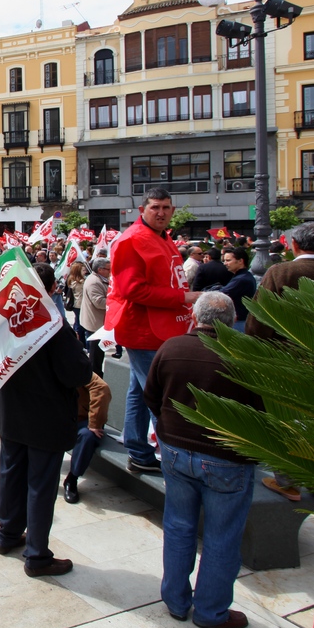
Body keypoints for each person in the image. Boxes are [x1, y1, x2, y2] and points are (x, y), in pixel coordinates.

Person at [144, 292, 263, 628]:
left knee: (179, 527)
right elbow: (262, 410)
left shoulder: (171, 348)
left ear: (194, 317)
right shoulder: (244, 354)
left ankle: (176, 601)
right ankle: (211, 611)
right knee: (222, 536)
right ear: (231, 321)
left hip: (177, 452)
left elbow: (151, 396)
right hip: (225, 458)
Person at [0, 263, 93, 576]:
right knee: (40, 485)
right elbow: (78, 373)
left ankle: (8, 535)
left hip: (11, 413)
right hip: (45, 418)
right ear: (51, 290)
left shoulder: (0, 319)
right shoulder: (53, 325)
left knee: (11, 473)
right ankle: (36, 555)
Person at [244, 221, 314, 501]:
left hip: (285, 362)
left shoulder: (281, 272)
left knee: (285, 421)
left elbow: (258, 321)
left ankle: (287, 481)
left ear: (294, 245)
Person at [108, 189, 199, 475]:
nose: (161, 212)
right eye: (156, 207)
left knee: (140, 391)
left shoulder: (163, 236)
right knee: (159, 395)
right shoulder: (132, 240)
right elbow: (132, 290)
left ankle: (138, 449)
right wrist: (183, 299)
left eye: (167, 207)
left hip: (163, 328)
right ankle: (174, 459)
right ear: (142, 209)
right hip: (143, 330)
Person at [63, 372, 111, 504]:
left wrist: (95, 422)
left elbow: (101, 388)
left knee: (87, 436)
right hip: (56, 420)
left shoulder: (74, 365)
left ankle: (72, 479)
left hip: (80, 419)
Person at [79, 258, 112, 378]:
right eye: (108, 269)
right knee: (95, 353)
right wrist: (115, 302)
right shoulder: (94, 282)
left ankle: (96, 373)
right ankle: (94, 376)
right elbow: (98, 302)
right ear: (100, 269)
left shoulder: (100, 280)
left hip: (99, 322)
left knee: (98, 352)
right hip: (95, 323)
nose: (110, 271)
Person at [219, 247, 257, 331]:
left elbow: (221, 294)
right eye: (224, 260)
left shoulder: (241, 279)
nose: (225, 263)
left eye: (228, 260)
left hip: (239, 323)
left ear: (240, 261)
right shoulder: (242, 276)